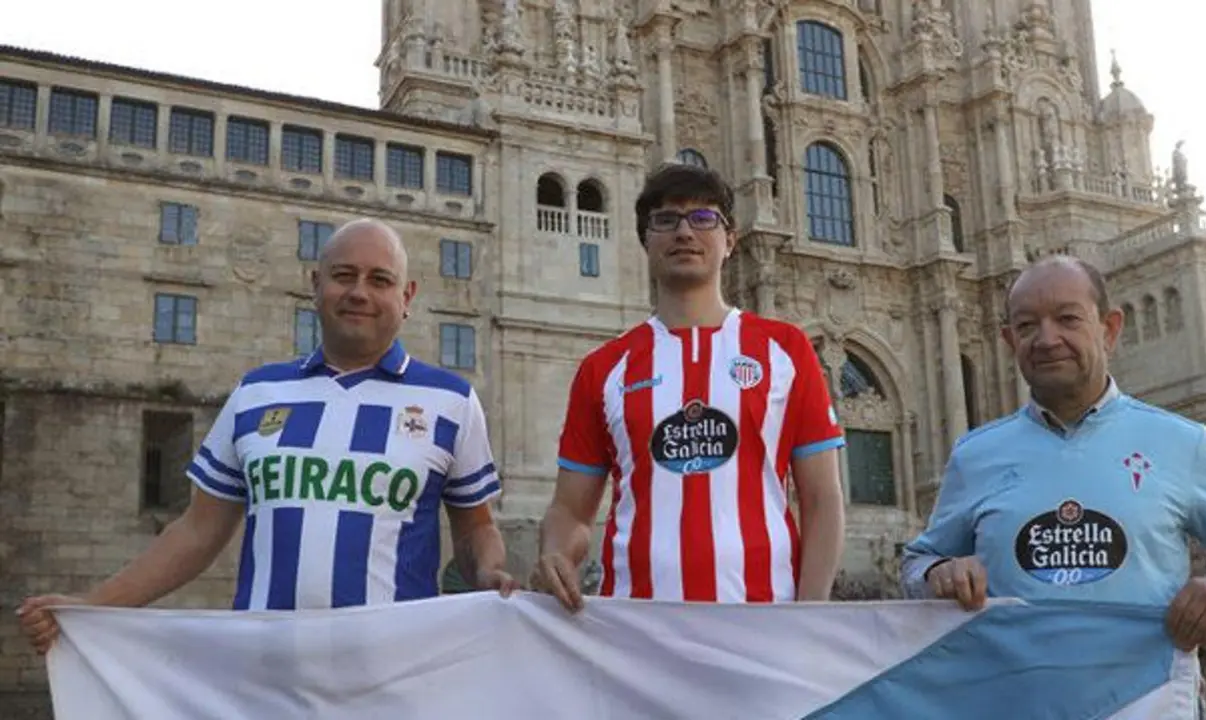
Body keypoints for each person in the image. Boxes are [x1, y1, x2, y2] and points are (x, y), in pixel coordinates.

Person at [19, 218, 515, 653]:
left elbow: (474, 529)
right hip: (264, 679)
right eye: (344, 276)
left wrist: (490, 570)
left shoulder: (451, 401)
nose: (359, 292)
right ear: (315, 285)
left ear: (406, 297)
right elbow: (197, 533)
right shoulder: (257, 391)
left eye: (379, 279)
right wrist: (92, 606)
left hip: (396, 678)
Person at [900, 254, 1206, 660]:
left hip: (1143, 703)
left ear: (1110, 329)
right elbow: (917, 564)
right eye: (1027, 326)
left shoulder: (1181, 443)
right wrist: (937, 574)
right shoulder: (974, 455)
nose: (1047, 340)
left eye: (1068, 319)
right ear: (1010, 341)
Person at [531, 163, 847, 610]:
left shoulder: (786, 350)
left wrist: (811, 615)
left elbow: (822, 499)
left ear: (730, 240)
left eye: (703, 218)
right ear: (645, 240)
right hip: (638, 629)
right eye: (666, 220)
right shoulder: (603, 369)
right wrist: (556, 554)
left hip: (765, 624)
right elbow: (571, 510)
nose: (684, 232)